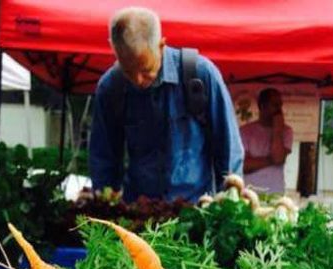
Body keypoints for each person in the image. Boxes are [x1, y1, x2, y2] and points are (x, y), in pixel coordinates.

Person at [89, 7, 243, 202]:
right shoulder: (111, 87)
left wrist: (229, 205)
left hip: (196, 209)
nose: (138, 80)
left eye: (145, 70)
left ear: (161, 46)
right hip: (137, 212)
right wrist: (105, 206)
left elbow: (228, 150)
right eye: (128, 71)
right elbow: (104, 159)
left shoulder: (201, 74)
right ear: (114, 51)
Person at [240, 88, 293, 194]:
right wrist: (271, 160)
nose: (279, 109)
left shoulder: (286, 131)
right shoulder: (245, 131)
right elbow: (244, 166)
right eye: (275, 105)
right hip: (250, 192)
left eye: (280, 105)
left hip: (275, 193)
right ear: (262, 106)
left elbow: (278, 158)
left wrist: (277, 130)